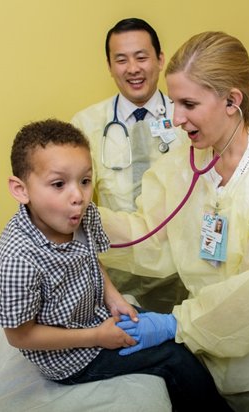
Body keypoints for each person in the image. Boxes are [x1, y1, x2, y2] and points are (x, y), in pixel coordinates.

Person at [98, 32, 249, 412]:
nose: (176, 118)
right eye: (174, 102)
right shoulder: (185, 164)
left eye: (188, 103)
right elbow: (152, 236)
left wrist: (176, 324)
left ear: (232, 100)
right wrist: (85, 220)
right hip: (205, 357)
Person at [0, 119, 230, 411]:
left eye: (85, 181)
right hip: (70, 356)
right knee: (175, 359)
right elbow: (20, 336)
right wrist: (97, 336)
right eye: (58, 184)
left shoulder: (82, 215)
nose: (78, 196)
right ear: (20, 189)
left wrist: (114, 299)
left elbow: (91, 260)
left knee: (179, 339)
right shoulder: (16, 259)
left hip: (96, 317)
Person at [71, 18, 189, 314]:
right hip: (118, 271)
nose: (132, 68)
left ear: (160, 60)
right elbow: (75, 201)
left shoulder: (188, 119)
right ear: (110, 67)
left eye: (141, 57)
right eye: (121, 60)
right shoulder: (86, 124)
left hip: (181, 268)